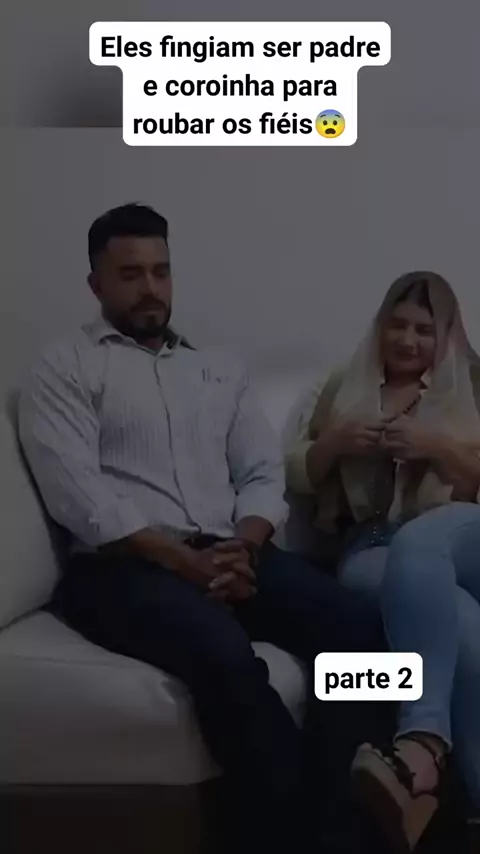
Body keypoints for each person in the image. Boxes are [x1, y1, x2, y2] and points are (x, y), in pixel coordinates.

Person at [18, 203, 388, 854]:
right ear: (96, 284)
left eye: (161, 271)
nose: (150, 288)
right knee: (226, 657)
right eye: (130, 274)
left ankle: (341, 825)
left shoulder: (217, 368)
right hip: (122, 567)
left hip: (231, 550)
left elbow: (261, 474)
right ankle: (293, 838)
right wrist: (182, 562)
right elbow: (82, 498)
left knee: (359, 628)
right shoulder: (65, 368)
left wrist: (244, 546)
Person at [286, 271, 480, 852]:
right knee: (464, 627)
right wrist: (335, 444)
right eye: (397, 325)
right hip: (371, 546)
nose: (407, 340)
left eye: (424, 329)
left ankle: (421, 746)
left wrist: (438, 448)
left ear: (446, 335)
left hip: (462, 532)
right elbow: (293, 472)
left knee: (421, 542)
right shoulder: (342, 386)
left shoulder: (474, 382)